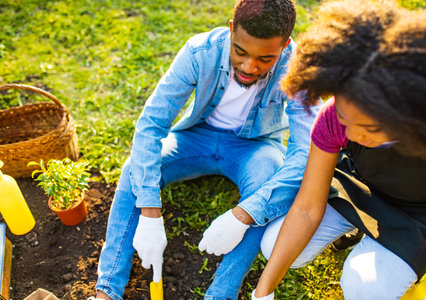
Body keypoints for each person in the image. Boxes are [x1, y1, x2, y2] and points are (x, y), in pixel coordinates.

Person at [91, 1, 321, 299]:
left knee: (268, 185)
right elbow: (150, 126)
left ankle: (220, 294)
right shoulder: (200, 52)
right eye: (240, 52)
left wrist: (245, 214)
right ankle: (107, 291)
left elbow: (304, 154)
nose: (250, 67)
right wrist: (149, 211)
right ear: (230, 30)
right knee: (133, 168)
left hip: (256, 147)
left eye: (265, 59)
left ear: (285, 45)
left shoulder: (299, 69)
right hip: (195, 138)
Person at [251, 0, 426, 299]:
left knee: (364, 288)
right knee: (273, 246)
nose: (353, 134)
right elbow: (306, 208)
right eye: (345, 118)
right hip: (357, 186)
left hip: (422, 215)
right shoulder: (333, 118)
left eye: (370, 129)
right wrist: (262, 292)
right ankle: (353, 231)